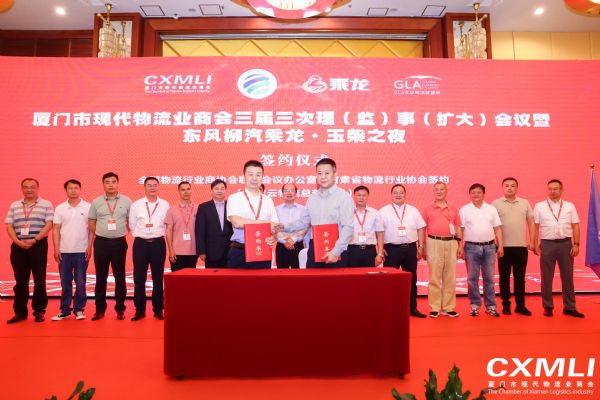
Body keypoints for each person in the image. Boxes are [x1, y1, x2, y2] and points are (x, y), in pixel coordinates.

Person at [282, 158, 353, 268]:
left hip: (336, 250)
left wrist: (336, 252)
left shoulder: (344, 197)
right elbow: (303, 222)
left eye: (327, 173)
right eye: (319, 173)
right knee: (312, 279)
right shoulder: (312, 199)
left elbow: (348, 227)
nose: (323, 177)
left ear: (335, 174)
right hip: (315, 248)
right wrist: (282, 226)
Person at [533, 179, 584, 318]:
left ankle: (570, 307)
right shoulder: (539, 206)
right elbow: (535, 226)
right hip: (547, 244)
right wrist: (534, 243)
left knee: (567, 277)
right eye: (550, 189)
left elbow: (575, 225)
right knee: (546, 277)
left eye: (555, 189)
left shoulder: (570, 206)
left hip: (566, 244)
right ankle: (548, 306)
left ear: (561, 190)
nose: (552, 191)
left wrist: (576, 244)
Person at [5, 178, 54, 324]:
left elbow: (49, 224)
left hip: (38, 245)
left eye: (32, 187)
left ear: (37, 188)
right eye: (26, 187)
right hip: (18, 246)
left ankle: (39, 311)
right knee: (21, 281)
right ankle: (20, 312)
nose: (29, 190)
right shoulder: (14, 205)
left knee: (39, 279)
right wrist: (17, 241)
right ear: (22, 189)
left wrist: (35, 240)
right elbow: (9, 225)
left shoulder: (46, 204)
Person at [88, 172, 132, 321]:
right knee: (101, 277)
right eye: (107, 182)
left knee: (120, 277)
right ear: (103, 184)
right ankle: (99, 309)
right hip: (101, 243)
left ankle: (120, 309)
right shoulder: (96, 202)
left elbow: (130, 222)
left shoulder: (127, 201)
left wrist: (120, 231)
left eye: (113, 182)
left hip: (119, 243)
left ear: (117, 183)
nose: (111, 185)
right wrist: (101, 232)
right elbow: (91, 222)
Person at [380, 184, 426, 318]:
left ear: (405, 194)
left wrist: (420, 246)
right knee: (389, 280)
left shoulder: (413, 210)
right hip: (391, 249)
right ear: (391, 194)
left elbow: (421, 228)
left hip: (410, 249)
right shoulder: (383, 211)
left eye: (401, 192)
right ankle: (389, 309)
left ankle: (412, 308)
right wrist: (380, 248)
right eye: (395, 192)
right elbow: (379, 231)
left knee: (411, 279)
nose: (398, 195)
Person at [459, 183, 503, 317]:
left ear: (483, 194)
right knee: (472, 278)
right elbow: (460, 230)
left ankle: (491, 306)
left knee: (489, 278)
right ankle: (475, 305)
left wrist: (500, 245)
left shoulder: (491, 209)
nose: (475, 195)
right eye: (473, 192)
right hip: (471, 248)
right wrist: (460, 247)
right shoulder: (464, 210)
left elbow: (497, 228)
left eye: (478, 192)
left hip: (489, 247)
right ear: (469, 194)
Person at [492, 177, 535, 316]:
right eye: (506, 186)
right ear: (502, 187)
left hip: (521, 247)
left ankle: (520, 305)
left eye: (512, 186)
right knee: (504, 277)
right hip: (503, 247)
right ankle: (506, 305)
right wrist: (497, 244)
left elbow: (531, 222)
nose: (509, 188)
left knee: (520, 277)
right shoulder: (496, 204)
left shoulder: (525, 203)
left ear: (517, 188)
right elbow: (492, 225)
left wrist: (532, 240)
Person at [51, 179, 93, 321]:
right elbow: (56, 229)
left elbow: (91, 230)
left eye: (76, 188)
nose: (73, 190)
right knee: (65, 282)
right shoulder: (60, 208)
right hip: (64, 251)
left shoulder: (88, 207)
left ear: (80, 189)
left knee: (80, 282)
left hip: (82, 250)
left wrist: (89, 247)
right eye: (70, 188)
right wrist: (56, 248)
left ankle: (79, 309)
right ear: (66, 190)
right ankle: (65, 310)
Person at [129, 177, 170, 321]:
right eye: (149, 185)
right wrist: (142, 235)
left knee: (157, 278)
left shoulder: (165, 204)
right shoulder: (137, 205)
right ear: (144, 187)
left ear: (158, 187)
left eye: (154, 185)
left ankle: (158, 309)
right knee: (139, 278)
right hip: (141, 244)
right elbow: (132, 224)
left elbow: (167, 225)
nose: (152, 188)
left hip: (158, 244)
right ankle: (139, 310)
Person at [227, 160, 279, 269]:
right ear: (243, 177)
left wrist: (273, 237)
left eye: (258, 175)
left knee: (262, 280)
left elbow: (275, 227)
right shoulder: (234, 198)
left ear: (262, 177)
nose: (254, 178)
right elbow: (237, 223)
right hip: (240, 251)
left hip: (263, 250)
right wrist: (266, 223)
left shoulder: (268, 200)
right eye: (250, 174)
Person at [422, 182, 462, 318]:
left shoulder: (453, 209)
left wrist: (460, 246)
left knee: (450, 276)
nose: (439, 192)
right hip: (433, 242)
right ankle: (435, 307)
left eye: (442, 189)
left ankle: (448, 307)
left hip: (451, 243)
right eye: (436, 190)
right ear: (433, 192)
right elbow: (422, 229)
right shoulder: (427, 209)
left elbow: (458, 227)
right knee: (434, 276)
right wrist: (422, 246)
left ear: (446, 191)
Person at [196, 179, 233, 268]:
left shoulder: (231, 205)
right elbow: (200, 231)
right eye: (216, 188)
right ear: (212, 190)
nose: (219, 191)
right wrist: (201, 251)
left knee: (228, 276)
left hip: (229, 251)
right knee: (212, 276)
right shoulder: (203, 207)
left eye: (222, 188)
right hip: (211, 252)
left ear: (225, 190)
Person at [347, 185, 384, 268]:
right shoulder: (347, 212)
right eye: (358, 195)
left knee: (369, 275)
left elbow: (380, 234)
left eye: (364, 195)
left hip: (370, 251)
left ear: (368, 196)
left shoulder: (375, 213)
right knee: (352, 275)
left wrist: (380, 253)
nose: (361, 198)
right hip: (352, 250)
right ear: (354, 196)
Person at [165, 181, 199, 271]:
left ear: (191, 191)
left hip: (193, 251)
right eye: (183, 190)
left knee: (191, 278)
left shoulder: (198, 208)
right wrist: (171, 250)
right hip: (177, 252)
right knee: (177, 278)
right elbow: (168, 230)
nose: (186, 192)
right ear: (179, 191)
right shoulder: (172, 210)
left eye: (188, 189)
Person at [275, 183, 307, 269]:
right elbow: (274, 227)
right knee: (281, 274)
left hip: (297, 245)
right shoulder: (276, 209)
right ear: (282, 193)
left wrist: (293, 239)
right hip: (281, 246)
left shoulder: (303, 209)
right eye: (286, 191)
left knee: (298, 275)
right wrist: (284, 241)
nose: (289, 193)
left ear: (296, 193)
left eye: (292, 190)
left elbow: (305, 227)